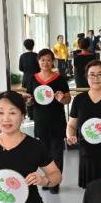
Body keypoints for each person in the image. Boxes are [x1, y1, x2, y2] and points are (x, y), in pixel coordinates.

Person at [66, 60, 101, 188]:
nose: (96, 78)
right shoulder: (79, 99)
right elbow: (71, 125)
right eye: (92, 75)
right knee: (91, 190)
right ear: (86, 77)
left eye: (100, 74)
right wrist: (70, 135)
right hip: (87, 153)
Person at [27, 49, 71, 194]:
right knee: (43, 153)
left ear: (53, 61)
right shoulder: (33, 79)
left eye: (48, 60)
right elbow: (29, 98)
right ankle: (47, 180)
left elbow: (68, 99)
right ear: (38, 61)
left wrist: (62, 98)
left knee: (56, 152)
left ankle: (55, 183)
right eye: (42, 60)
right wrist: (28, 101)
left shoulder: (59, 79)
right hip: (40, 120)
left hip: (57, 120)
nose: (45, 63)